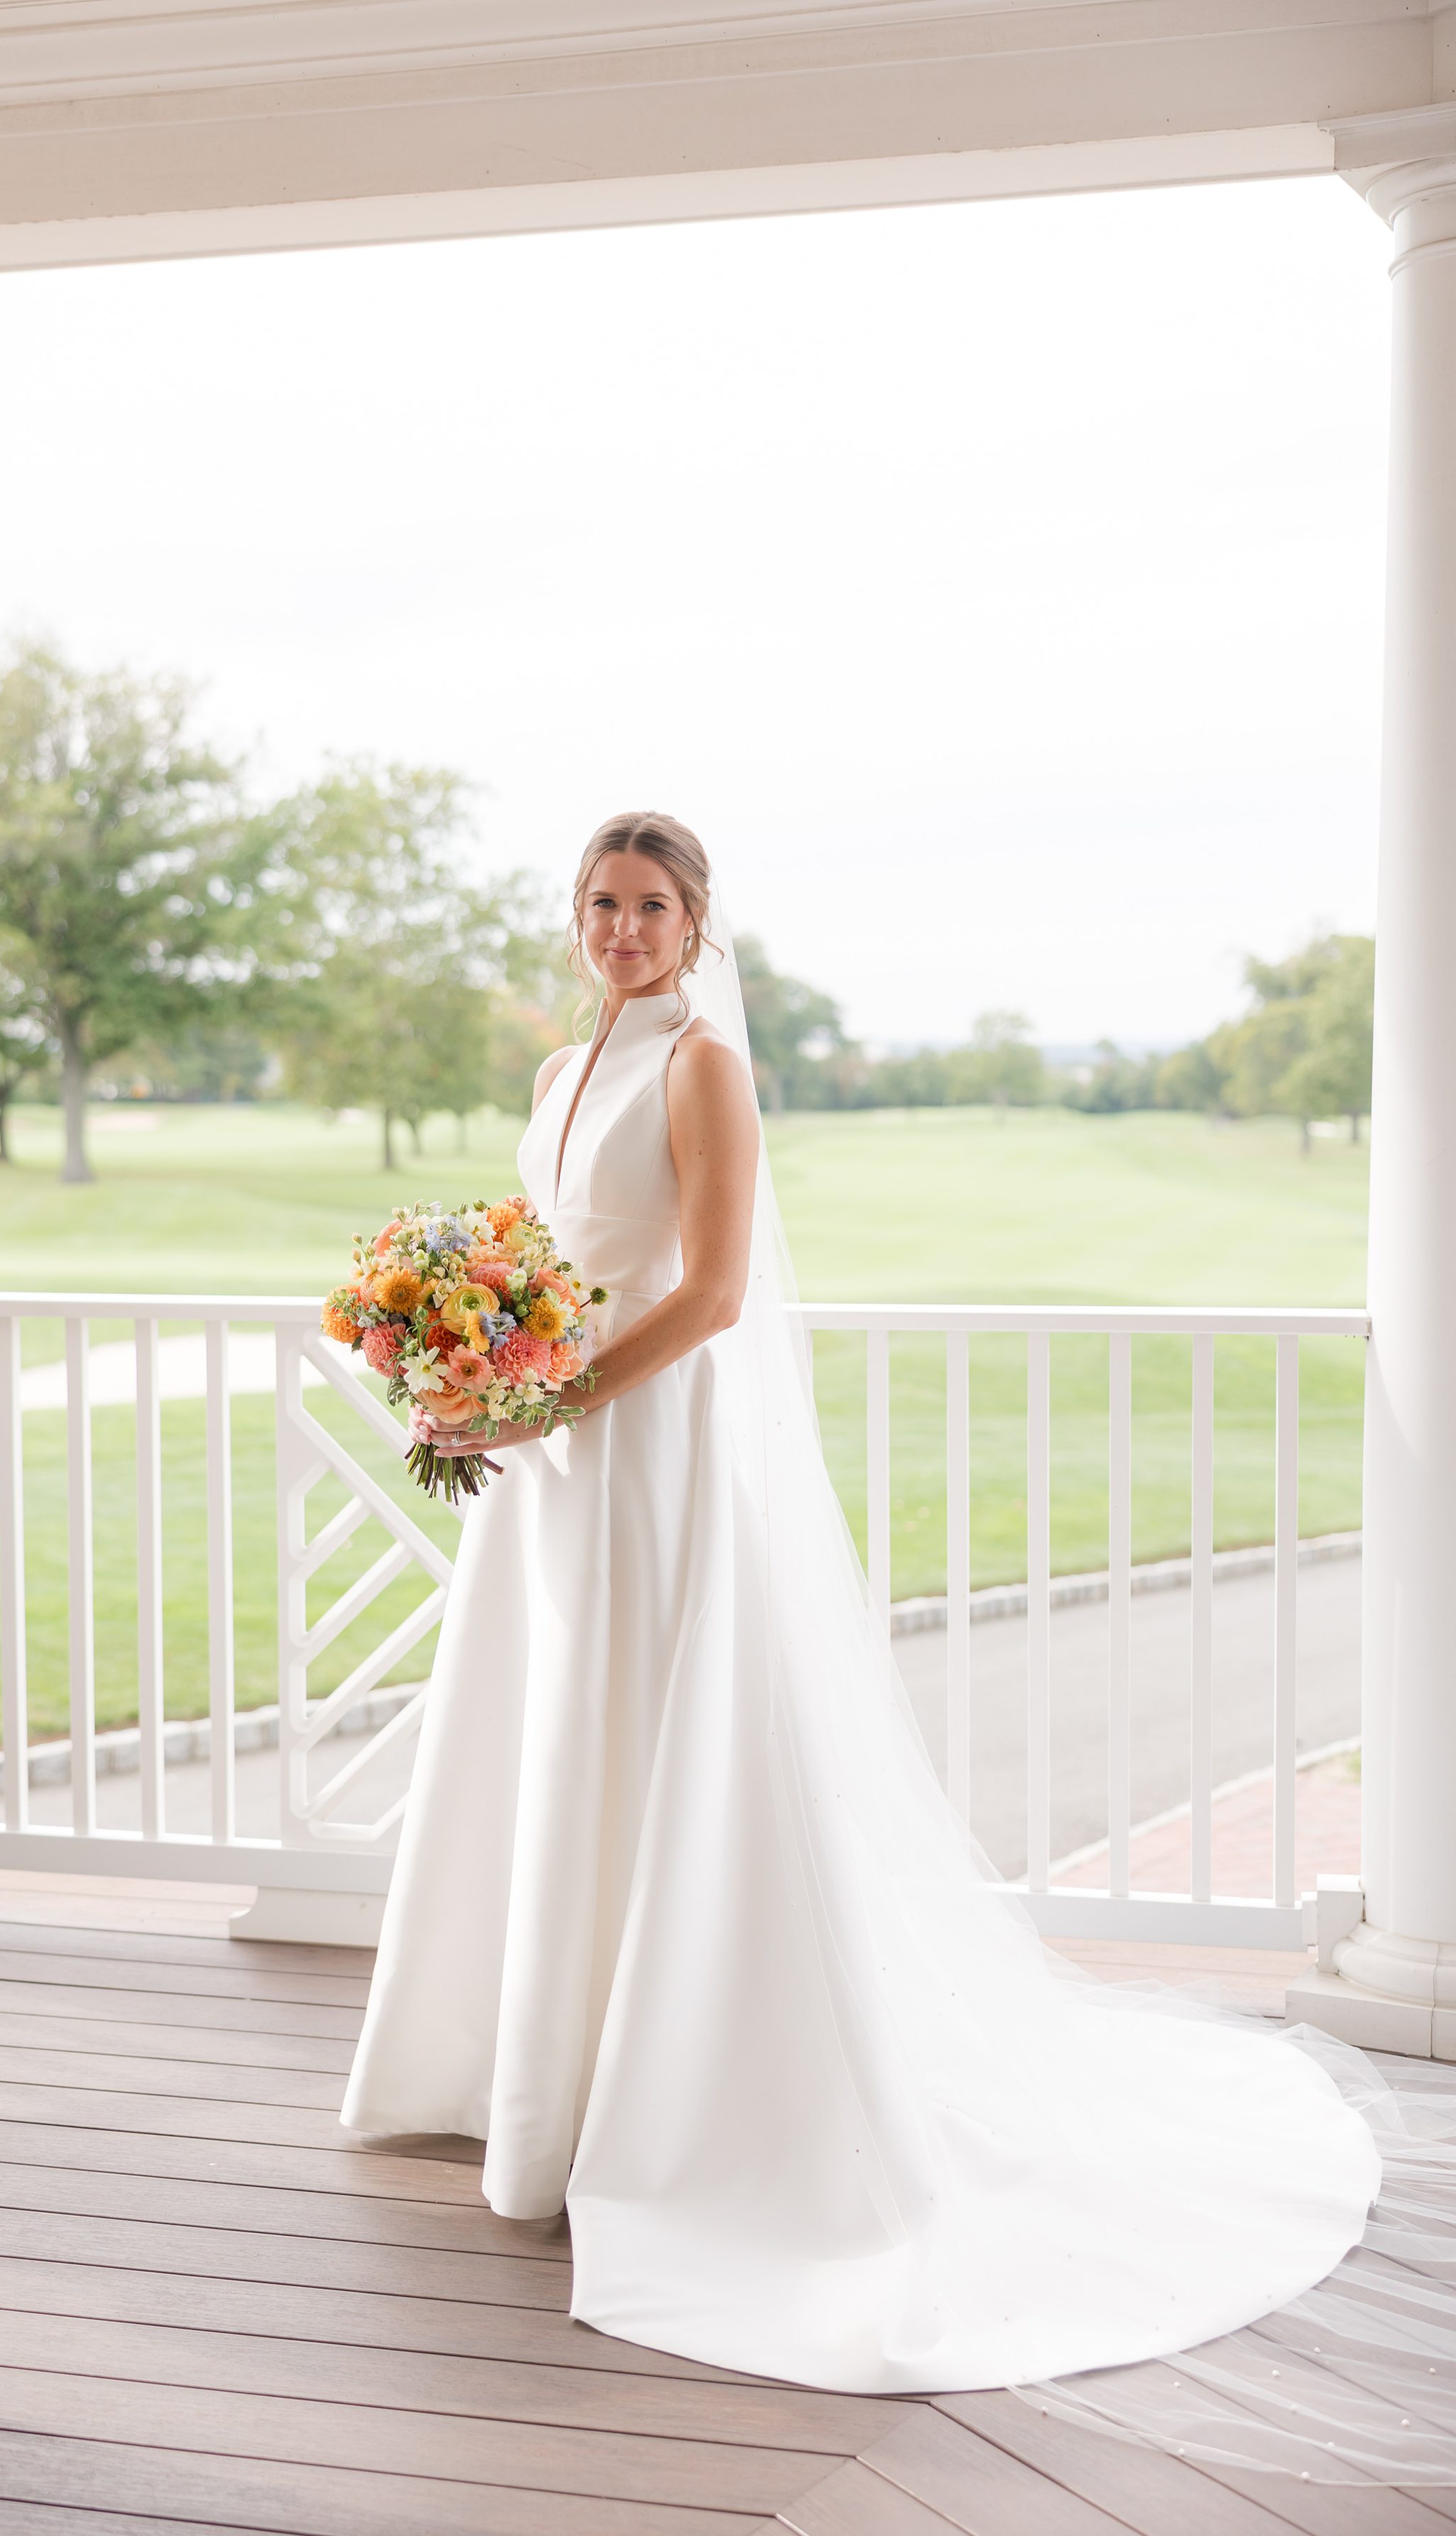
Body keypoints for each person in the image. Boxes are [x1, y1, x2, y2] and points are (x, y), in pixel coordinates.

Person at [340, 811, 1381, 2406]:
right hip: (553, 1475)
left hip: (649, 1453)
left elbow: (713, 1291)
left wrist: (552, 1400)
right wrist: (470, 1357)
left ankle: (690, 2099)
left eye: (653, 907)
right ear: (577, 920)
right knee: (557, 1747)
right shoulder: (560, 1072)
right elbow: (553, 1255)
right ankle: (538, 2073)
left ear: (696, 924)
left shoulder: (700, 1062)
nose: (624, 930)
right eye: (602, 905)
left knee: (666, 1745)